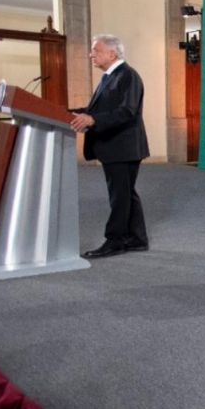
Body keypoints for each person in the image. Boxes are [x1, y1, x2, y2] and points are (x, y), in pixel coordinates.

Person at [71, 35, 150, 258]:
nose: (91, 54)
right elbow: (98, 108)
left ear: (112, 54)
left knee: (120, 196)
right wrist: (75, 113)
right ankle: (136, 238)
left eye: (96, 50)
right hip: (115, 146)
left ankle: (115, 240)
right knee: (125, 193)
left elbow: (127, 111)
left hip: (123, 147)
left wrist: (93, 120)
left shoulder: (128, 75)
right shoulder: (111, 76)